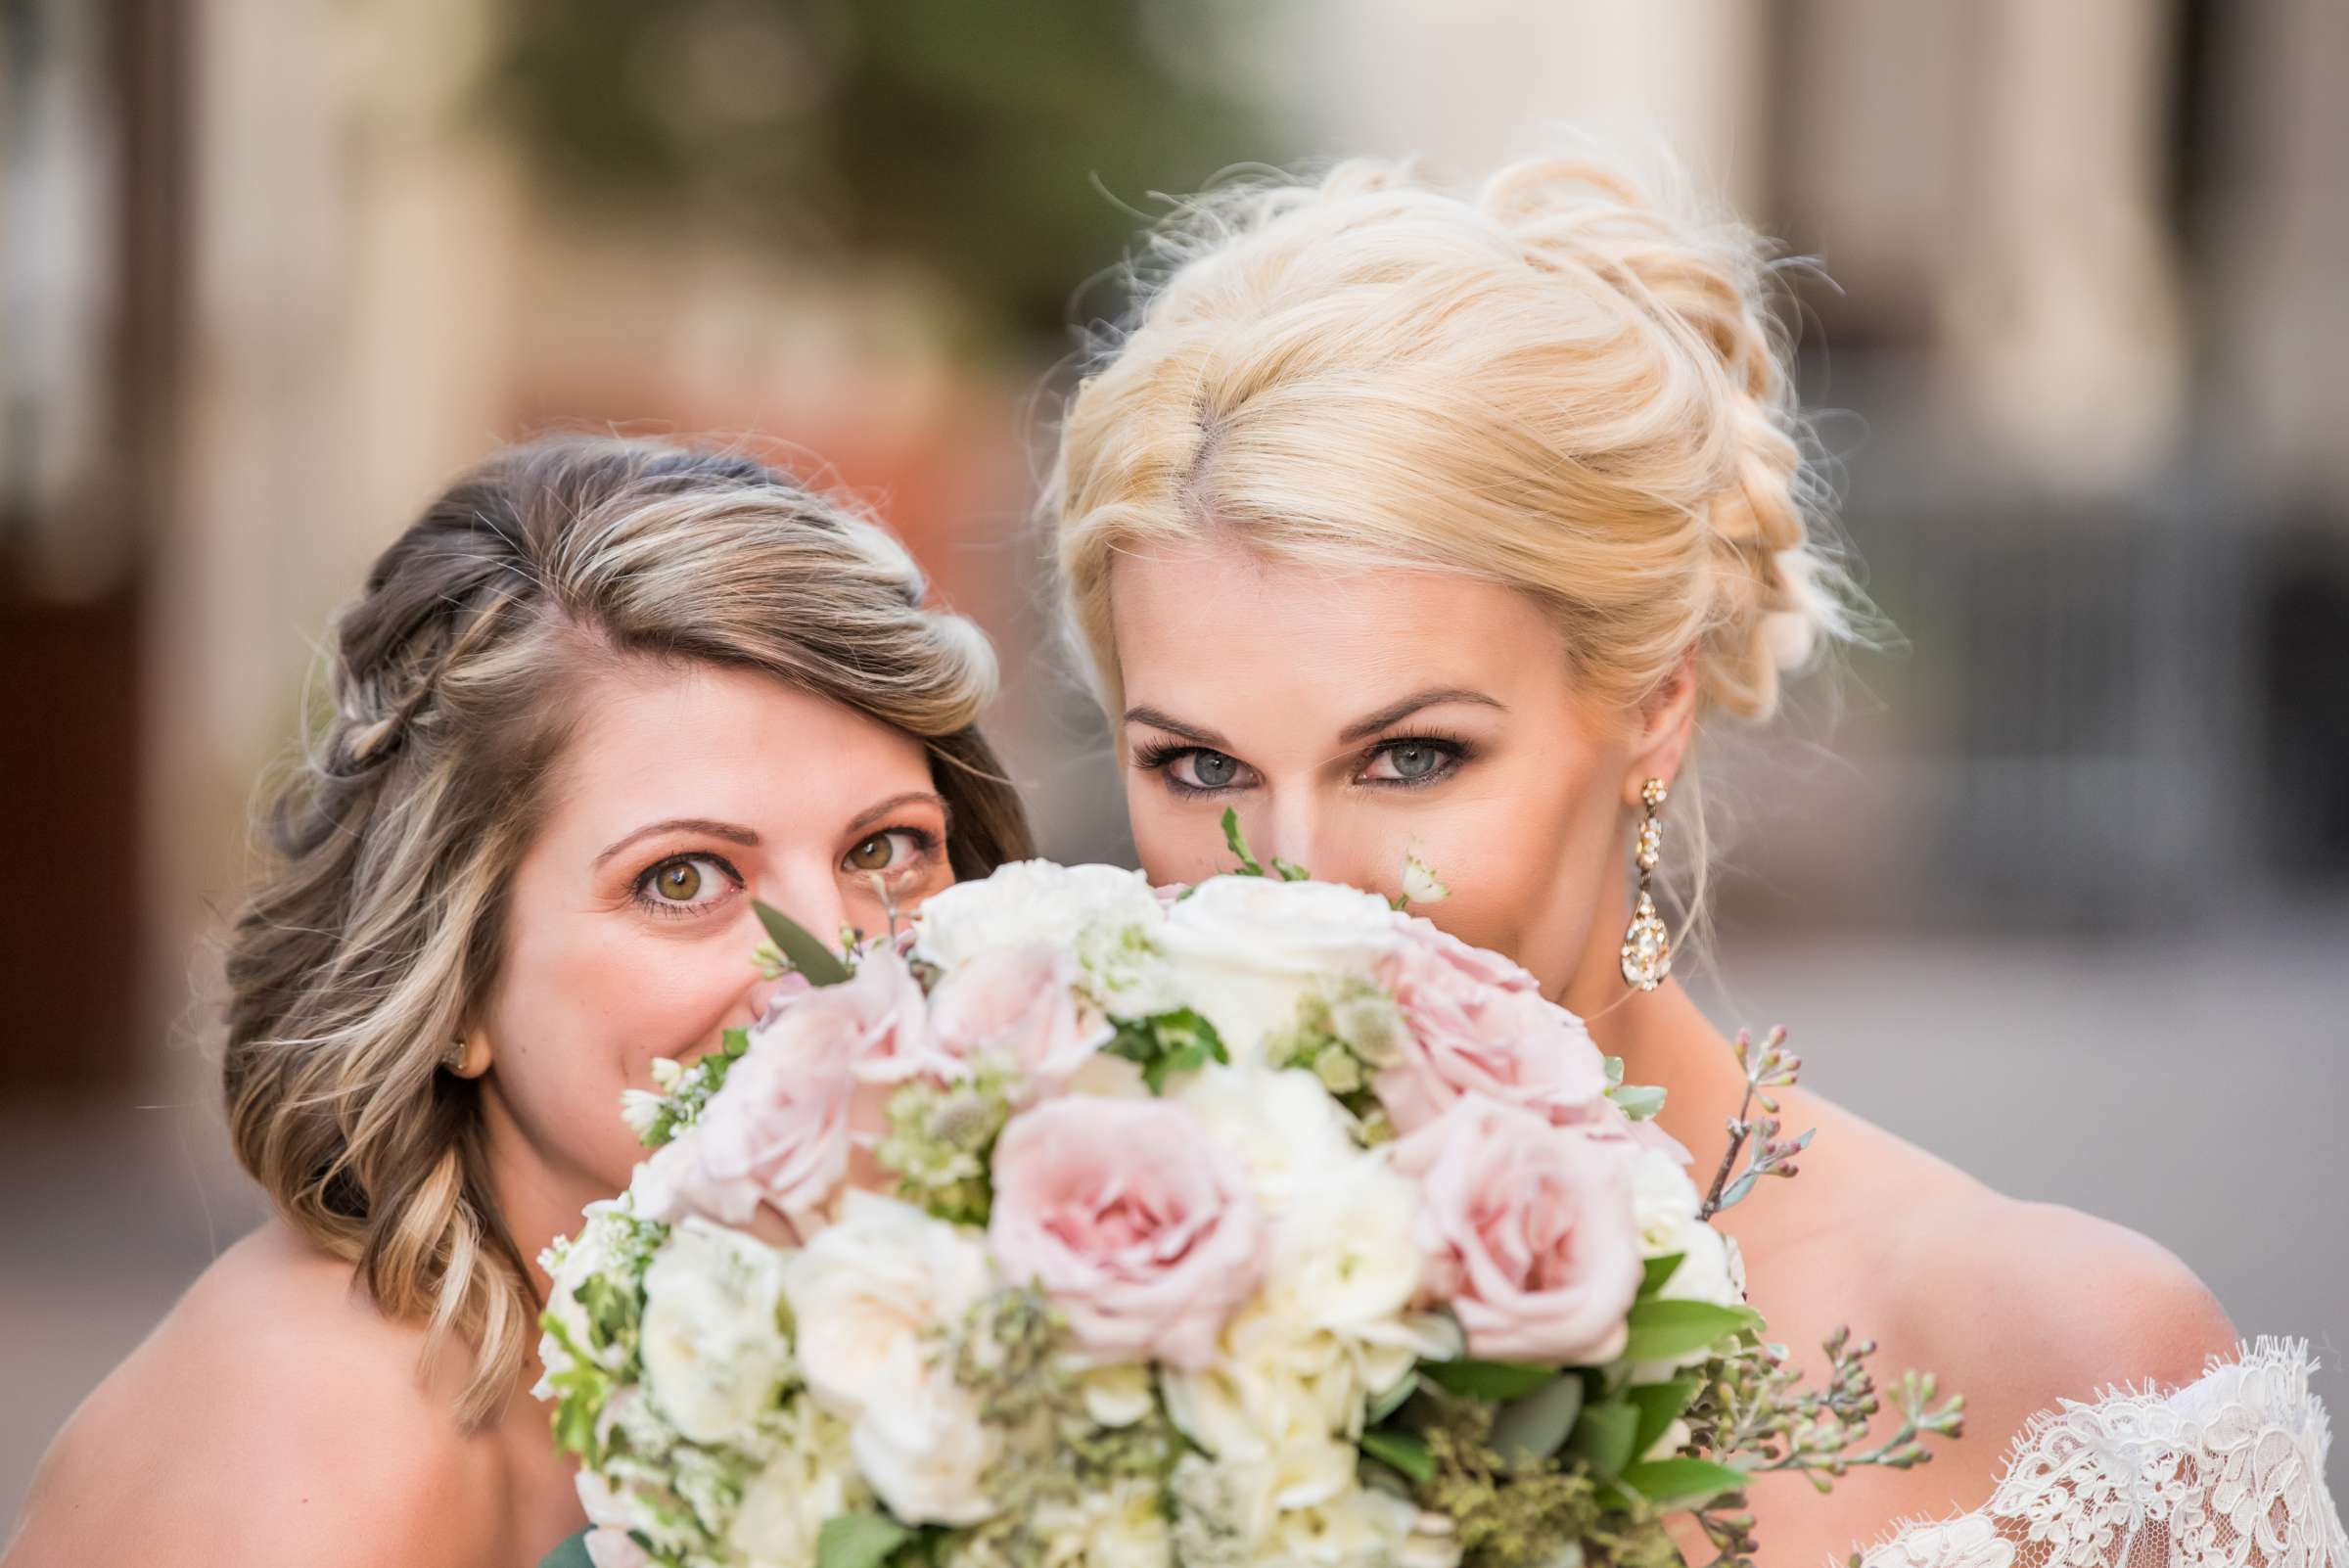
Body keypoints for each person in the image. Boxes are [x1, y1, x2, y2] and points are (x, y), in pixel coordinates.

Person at [1044, 154, 2245, 1568]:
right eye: (1199, 766)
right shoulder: (1015, 1311)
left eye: (1412, 755)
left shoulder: (2064, 1370)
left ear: (1653, 701)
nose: (1293, 887)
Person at [3, 436, 1033, 1568]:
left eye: (886, 847)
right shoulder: (318, 1430)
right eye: (681, 879)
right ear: (457, 985)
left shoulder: (833, 1335)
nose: (843, 966)